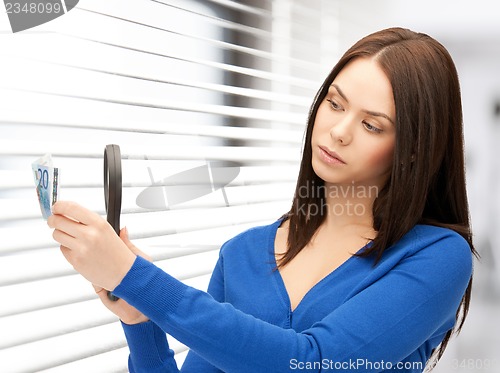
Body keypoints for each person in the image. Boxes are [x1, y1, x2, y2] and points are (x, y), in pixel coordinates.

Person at [48, 27, 478, 372]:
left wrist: (138, 277)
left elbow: (315, 362)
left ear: (415, 149)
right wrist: (140, 319)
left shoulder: (436, 257)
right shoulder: (243, 254)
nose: (339, 130)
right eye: (334, 103)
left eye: (372, 125)